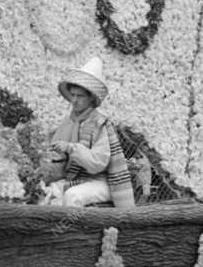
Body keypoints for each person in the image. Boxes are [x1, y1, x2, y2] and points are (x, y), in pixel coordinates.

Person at [39, 57, 135, 209]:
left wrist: (71, 148)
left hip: (101, 182)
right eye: (73, 95)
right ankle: (49, 233)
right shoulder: (69, 122)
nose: (74, 100)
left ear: (91, 98)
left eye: (80, 96)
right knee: (43, 193)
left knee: (72, 196)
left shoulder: (100, 124)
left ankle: (72, 232)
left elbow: (97, 164)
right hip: (76, 179)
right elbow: (56, 158)